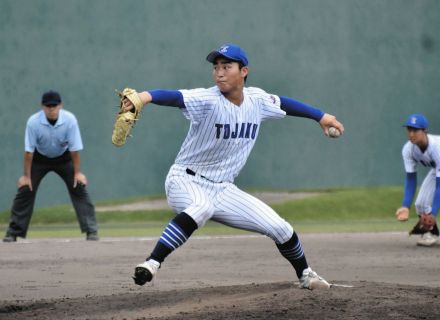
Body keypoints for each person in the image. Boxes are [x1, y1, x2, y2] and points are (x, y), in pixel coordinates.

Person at [122, 44, 344, 289]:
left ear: (244, 71)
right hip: (185, 180)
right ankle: (152, 263)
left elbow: (284, 104)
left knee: (280, 228)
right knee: (201, 207)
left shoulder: (257, 100)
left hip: (224, 189)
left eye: (227, 67)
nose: (219, 72)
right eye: (216, 67)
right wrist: (144, 97)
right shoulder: (208, 99)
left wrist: (321, 116)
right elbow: (175, 96)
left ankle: (306, 275)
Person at [3, 90, 99, 242]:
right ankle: (12, 232)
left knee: (78, 186)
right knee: (25, 189)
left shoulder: (69, 120)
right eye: (48, 106)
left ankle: (91, 231)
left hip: (64, 158)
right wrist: (27, 177)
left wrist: (77, 173)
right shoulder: (33, 122)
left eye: (54, 105)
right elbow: (29, 152)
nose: (51, 109)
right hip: (39, 159)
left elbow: (74, 150)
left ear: (60, 105)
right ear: (42, 106)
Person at [395, 113, 440, 246]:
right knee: (420, 205)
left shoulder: (436, 148)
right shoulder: (408, 150)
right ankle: (431, 233)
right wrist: (405, 205)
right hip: (436, 170)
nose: (411, 134)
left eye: (415, 130)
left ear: (425, 130)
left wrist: (434, 212)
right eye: (409, 129)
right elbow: (410, 179)